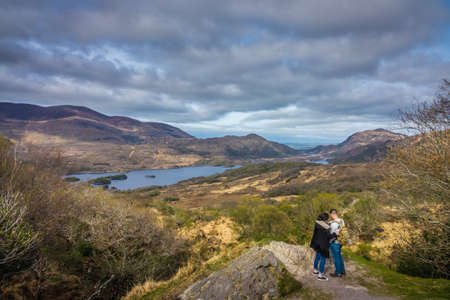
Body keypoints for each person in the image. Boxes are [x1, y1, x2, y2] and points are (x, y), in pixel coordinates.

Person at [310, 213, 339, 281]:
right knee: (323, 259)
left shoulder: (317, 223)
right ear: (325, 219)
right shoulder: (326, 228)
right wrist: (336, 233)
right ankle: (320, 275)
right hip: (323, 245)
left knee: (317, 256)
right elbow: (329, 237)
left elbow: (320, 231)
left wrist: (326, 224)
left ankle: (315, 270)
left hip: (316, 243)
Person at [329, 209, 346, 277]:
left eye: (331, 215)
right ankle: (342, 270)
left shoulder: (333, 224)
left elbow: (332, 233)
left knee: (336, 258)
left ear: (332, 214)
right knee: (339, 256)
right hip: (341, 241)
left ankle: (338, 273)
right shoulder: (341, 220)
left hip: (335, 242)